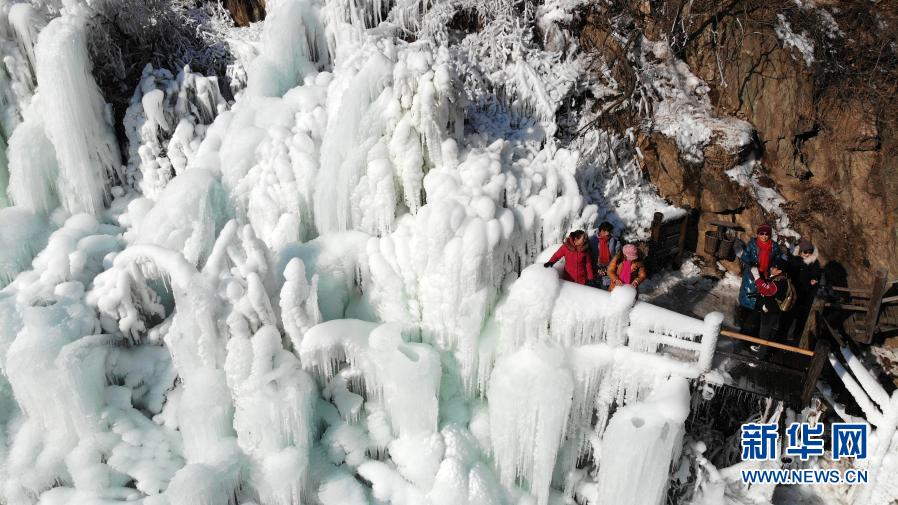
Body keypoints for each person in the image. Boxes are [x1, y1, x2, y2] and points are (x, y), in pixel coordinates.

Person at [737, 223, 782, 335]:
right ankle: (742, 328)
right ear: (758, 234)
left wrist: (773, 267)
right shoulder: (752, 244)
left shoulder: (774, 246)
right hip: (751, 278)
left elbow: (778, 259)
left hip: (766, 277)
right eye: (761, 233)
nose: (764, 236)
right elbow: (744, 257)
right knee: (747, 302)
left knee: (759, 305)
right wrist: (752, 266)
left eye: (767, 234)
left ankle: (752, 331)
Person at [784, 238, 822, 341]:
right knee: (788, 312)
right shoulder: (796, 260)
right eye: (806, 252)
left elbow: (816, 273)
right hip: (793, 290)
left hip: (805, 292)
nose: (808, 254)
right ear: (801, 251)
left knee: (799, 315)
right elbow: (788, 266)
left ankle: (794, 335)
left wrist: (814, 279)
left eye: (810, 252)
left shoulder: (813, 262)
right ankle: (785, 333)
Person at [588, 221, 621, 289]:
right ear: (601, 230)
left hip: (609, 267)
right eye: (606, 231)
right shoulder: (593, 240)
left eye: (609, 231)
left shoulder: (613, 240)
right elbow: (589, 254)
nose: (608, 233)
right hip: (596, 267)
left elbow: (618, 253)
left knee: (607, 287)